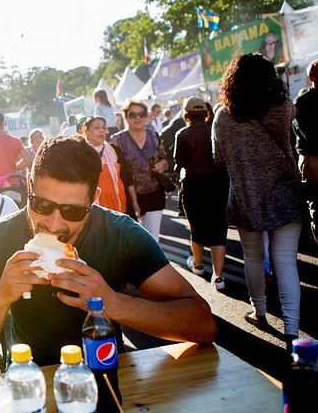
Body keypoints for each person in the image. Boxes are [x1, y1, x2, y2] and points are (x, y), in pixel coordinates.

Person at [0, 137, 216, 367]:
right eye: (42, 204)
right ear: (29, 186)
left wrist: (113, 303)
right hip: (31, 379)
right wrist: (1, 295)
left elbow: (204, 325)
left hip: (105, 373)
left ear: (93, 199)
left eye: (72, 211)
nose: (54, 224)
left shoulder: (121, 235)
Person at [212, 53, 305, 345]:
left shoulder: (223, 116)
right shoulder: (282, 107)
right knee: (286, 261)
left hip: (246, 195)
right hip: (285, 191)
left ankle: (259, 312)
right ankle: (291, 327)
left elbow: (218, 158)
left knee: (254, 257)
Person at [174, 97, 229, 290]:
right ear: (205, 113)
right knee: (218, 229)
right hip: (218, 183)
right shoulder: (214, 129)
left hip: (193, 184)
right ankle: (219, 276)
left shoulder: (183, 134)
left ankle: (198, 265)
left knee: (196, 227)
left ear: (187, 114)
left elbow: (179, 162)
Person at [111, 100, 168, 240]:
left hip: (154, 192)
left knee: (153, 237)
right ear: (126, 118)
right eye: (133, 115)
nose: (138, 118)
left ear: (146, 116)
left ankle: (154, 261)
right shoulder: (117, 140)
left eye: (141, 114)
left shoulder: (153, 135)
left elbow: (165, 157)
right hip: (130, 196)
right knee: (136, 239)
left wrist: (163, 164)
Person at [83, 117, 136, 216]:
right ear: (87, 131)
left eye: (103, 127)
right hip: (94, 211)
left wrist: (134, 202)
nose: (101, 131)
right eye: (96, 127)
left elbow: (127, 178)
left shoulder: (114, 150)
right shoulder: (81, 153)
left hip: (121, 207)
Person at [293, 59, 318, 243]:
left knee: (317, 206)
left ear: (309, 77)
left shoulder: (302, 102)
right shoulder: (302, 101)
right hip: (312, 160)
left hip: (313, 160)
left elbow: (301, 132)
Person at [0, 112, 31, 185]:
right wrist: (14, 167)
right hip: (14, 183)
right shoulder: (15, 140)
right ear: (3, 124)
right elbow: (28, 160)